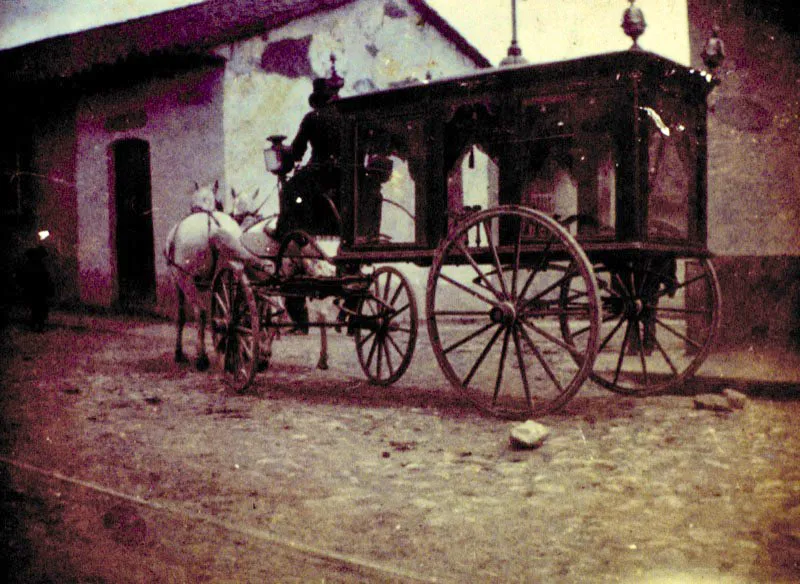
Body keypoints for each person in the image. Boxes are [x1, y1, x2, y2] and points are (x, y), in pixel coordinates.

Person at [276, 70, 344, 333]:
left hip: (320, 176)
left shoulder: (312, 119)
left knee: (290, 189)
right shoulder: (346, 118)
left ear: (316, 99)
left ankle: (291, 232)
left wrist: (283, 155)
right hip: (344, 180)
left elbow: (297, 152)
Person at [18, 245, 54, 332]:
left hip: (35, 290)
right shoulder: (39, 265)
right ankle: (38, 325)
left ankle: (36, 325)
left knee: (36, 308)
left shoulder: (32, 264)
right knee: (39, 308)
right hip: (39, 290)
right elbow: (45, 278)